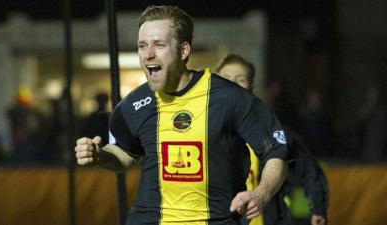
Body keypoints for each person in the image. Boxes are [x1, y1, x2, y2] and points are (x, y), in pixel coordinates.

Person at [75, 6, 289, 225]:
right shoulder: (133, 105)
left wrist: (262, 193)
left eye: (159, 45)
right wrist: (99, 155)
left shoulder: (229, 98)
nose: (149, 53)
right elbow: (123, 153)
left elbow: (276, 151)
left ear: (183, 51)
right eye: (142, 45)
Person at [217, 54, 329, 225]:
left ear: (251, 88)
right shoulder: (202, 130)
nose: (232, 85)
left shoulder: (274, 133)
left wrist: (318, 208)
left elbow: (309, 171)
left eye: (240, 80)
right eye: (225, 79)